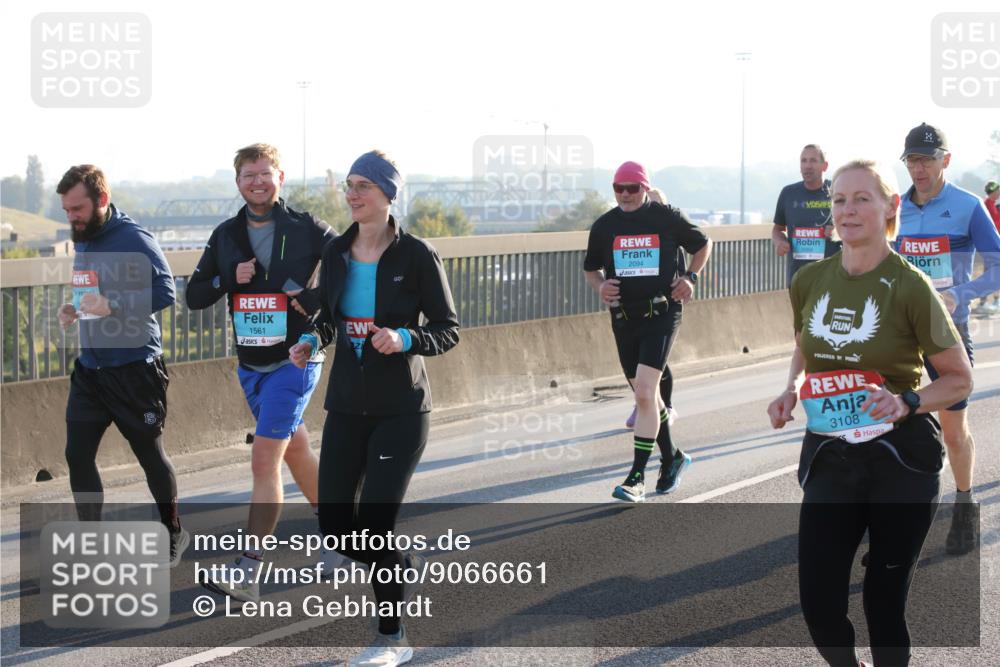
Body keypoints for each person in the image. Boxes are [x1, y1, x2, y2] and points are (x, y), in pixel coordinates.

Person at [767, 159, 973, 667]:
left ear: (890, 207)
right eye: (840, 200)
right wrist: (790, 389)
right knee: (819, 604)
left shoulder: (910, 285)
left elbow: (959, 379)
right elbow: (805, 344)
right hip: (830, 455)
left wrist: (907, 401)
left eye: (862, 199)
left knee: (883, 604)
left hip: (900, 460)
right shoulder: (809, 280)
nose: (849, 210)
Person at [290, 150, 459, 667]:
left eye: (364, 185)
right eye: (350, 184)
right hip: (346, 405)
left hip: (401, 410)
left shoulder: (418, 255)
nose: (353, 194)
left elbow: (447, 329)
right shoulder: (336, 252)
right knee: (336, 529)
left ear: (389, 193)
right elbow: (329, 318)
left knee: (373, 529)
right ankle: (400, 565)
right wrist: (310, 340)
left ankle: (391, 638)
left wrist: (406, 337)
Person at [187, 143, 335, 602]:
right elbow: (194, 295)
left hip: (296, 359)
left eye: (265, 174)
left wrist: (314, 300)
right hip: (251, 366)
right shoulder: (226, 235)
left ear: (280, 178)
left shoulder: (307, 227)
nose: (257, 182)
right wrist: (227, 279)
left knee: (264, 459)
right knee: (297, 452)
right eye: (249, 175)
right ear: (238, 182)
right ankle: (343, 538)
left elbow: (352, 266)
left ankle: (248, 570)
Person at [56, 164, 188, 566]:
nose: (72, 217)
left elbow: (166, 292)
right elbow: (93, 294)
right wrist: (74, 309)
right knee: (77, 455)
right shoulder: (84, 238)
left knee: (150, 456)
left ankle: (172, 531)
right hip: (91, 370)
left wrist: (113, 305)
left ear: (102, 200)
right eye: (66, 210)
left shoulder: (134, 237)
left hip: (135, 368)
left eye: (77, 209)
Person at [896, 123, 1000, 556]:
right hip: (900, 334)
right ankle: (891, 518)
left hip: (946, 333)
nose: (919, 169)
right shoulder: (895, 207)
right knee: (888, 425)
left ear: (946, 160)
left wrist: (960, 293)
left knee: (954, 432)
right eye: (912, 160)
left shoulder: (968, 206)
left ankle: (964, 502)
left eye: (927, 160)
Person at [584, 161, 712, 502]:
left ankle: (636, 477)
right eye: (619, 188)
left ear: (645, 188)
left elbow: (703, 244)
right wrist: (601, 287)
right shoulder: (604, 226)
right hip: (624, 318)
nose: (625, 194)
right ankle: (673, 457)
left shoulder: (666, 217)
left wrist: (690, 277)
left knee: (643, 391)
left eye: (632, 188)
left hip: (662, 313)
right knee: (646, 397)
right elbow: (591, 269)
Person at [624, 187, 679, 431]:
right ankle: (643, 402)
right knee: (637, 362)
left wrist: (686, 283)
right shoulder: (632, 233)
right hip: (635, 310)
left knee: (657, 363)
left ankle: (665, 405)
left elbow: (683, 270)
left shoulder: (671, 235)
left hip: (664, 309)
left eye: (657, 205)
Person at [772, 144, 839, 283]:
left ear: (825, 166)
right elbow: (778, 229)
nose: (807, 166)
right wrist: (779, 241)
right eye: (804, 161)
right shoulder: (788, 193)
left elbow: (856, 226)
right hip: (798, 277)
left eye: (813, 160)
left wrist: (838, 232)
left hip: (832, 278)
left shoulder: (838, 191)